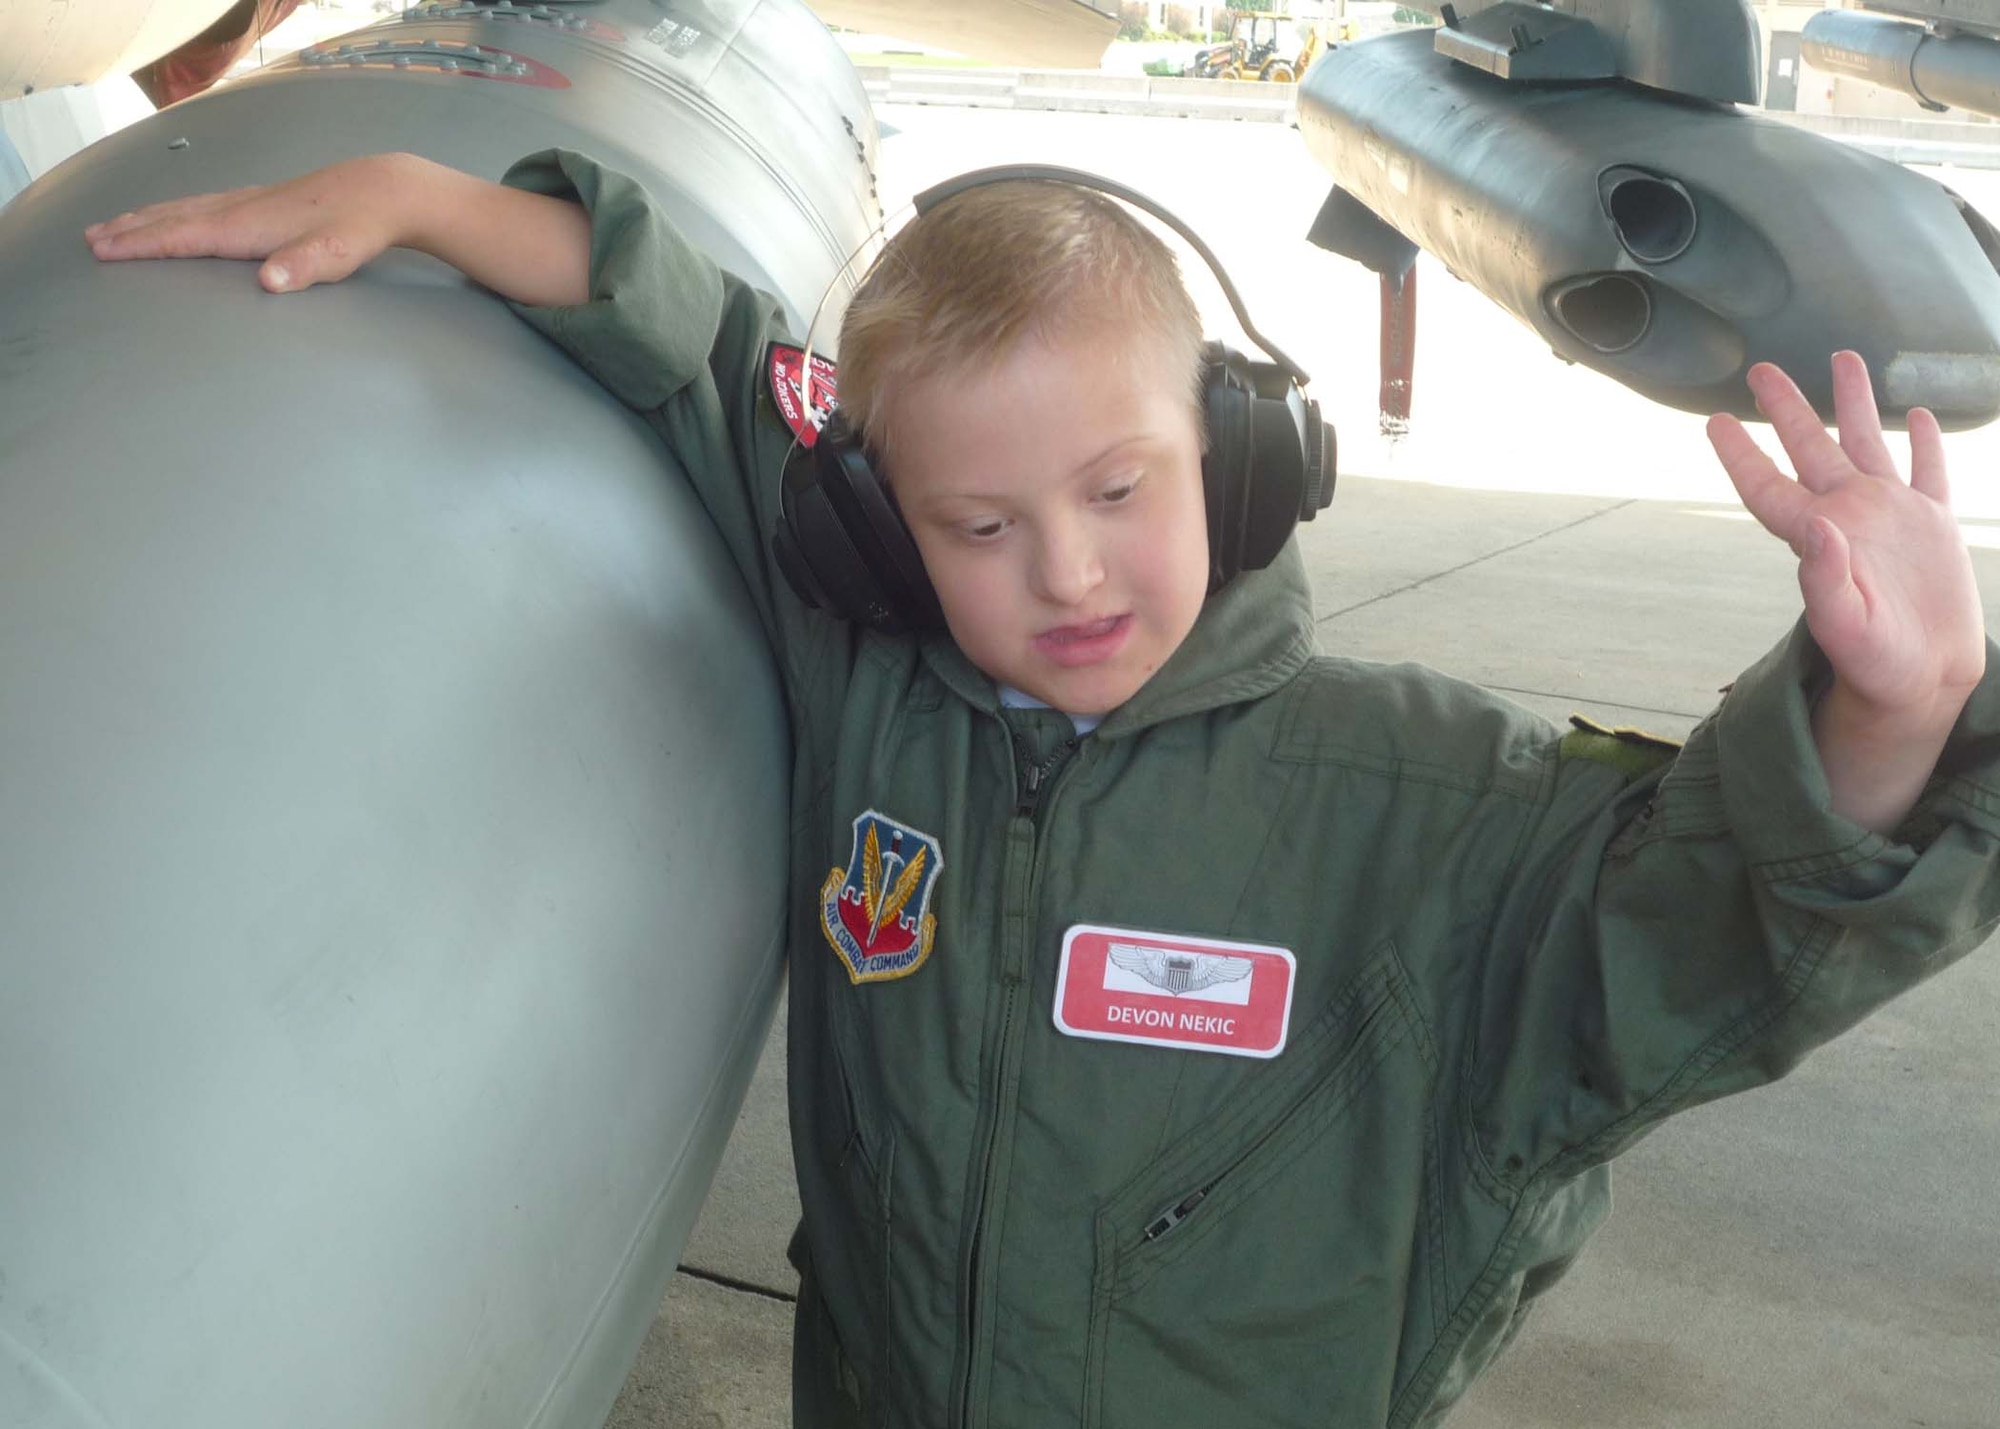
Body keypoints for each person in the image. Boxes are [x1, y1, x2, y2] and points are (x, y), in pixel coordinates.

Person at [87, 150, 2000, 1428]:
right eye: (978, 524)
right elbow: (724, 373)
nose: (1066, 575)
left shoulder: (1422, 800)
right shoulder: (879, 680)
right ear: (882, 530)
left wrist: (1887, 706)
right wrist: (426, 194)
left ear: (1240, 462)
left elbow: (1702, 930)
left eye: (1120, 490)